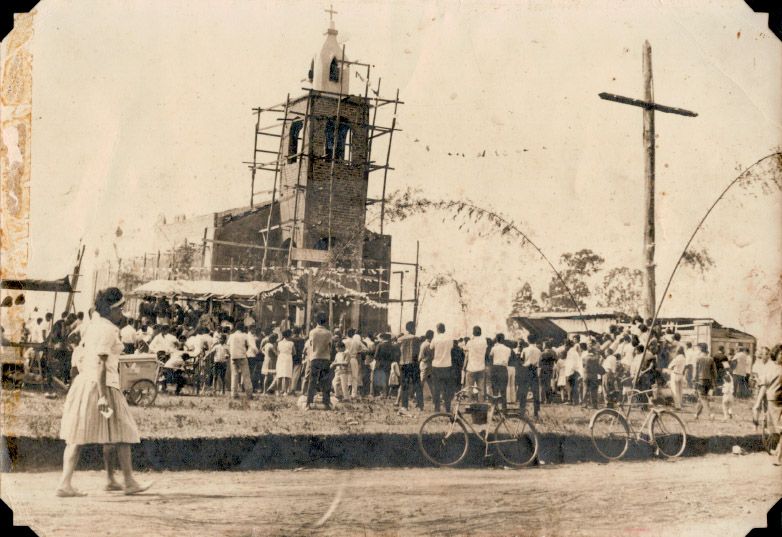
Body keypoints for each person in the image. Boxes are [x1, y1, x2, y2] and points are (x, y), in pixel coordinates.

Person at [57, 287, 150, 497]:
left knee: (81, 435)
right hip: (103, 385)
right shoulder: (108, 329)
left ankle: (95, 480)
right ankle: (128, 481)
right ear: (110, 309)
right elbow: (101, 363)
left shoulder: (91, 326)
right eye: (120, 309)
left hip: (85, 383)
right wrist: (101, 396)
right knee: (123, 431)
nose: (122, 313)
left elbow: (81, 351)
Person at [306, 313, 333, 410]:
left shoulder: (312, 332)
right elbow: (330, 346)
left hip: (315, 357)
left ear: (316, 321)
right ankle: (326, 402)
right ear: (326, 321)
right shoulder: (329, 333)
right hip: (325, 358)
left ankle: (309, 403)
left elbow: (311, 344)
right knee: (326, 381)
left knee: (312, 381)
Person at [398, 322, 422, 410]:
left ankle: (404, 406)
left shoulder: (400, 339)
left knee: (404, 385)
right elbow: (417, 352)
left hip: (403, 363)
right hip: (413, 363)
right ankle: (420, 405)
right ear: (413, 328)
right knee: (417, 384)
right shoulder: (416, 338)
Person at [430, 323, 453, 412]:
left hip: (436, 365)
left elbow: (431, 348)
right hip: (447, 365)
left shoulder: (435, 339)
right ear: (445, 329)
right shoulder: (449, 339)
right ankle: (447, 408)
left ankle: (437, 408)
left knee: (436, 388)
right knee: (447, 388)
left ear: (437, 330)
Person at [227, 323, 253, 399]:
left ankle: (234, 393)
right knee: (246, 375)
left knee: (234, 375)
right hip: (242, 356)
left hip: (233, 356)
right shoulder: (244, 335)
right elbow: (249, 345)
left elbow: (228, 345)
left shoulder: (231, 336)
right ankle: (249, 393)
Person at [518, 335, 542, 417]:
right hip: (534, 370)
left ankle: (521, 411)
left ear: (528, 340)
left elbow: (521, 360)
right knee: (535, 391)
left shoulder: (525, 349)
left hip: (526, 370)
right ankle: (536, 412)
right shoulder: (538, 350)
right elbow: (539, 362)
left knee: (523, 391)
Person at [464, 326, 488, 402]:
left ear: (473, 332)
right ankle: (481, 405)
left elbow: (465, 350)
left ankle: (468, 405)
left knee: (469, 389)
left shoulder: (470, 342)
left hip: (471, 368)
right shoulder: (484, 341)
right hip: (481, 367)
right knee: (481, 389)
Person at [694, 343, 717, 420]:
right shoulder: (710, 359)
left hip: (700, 381)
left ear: (701, 349)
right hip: (709, 381)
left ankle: (710, 414)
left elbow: (695, 371)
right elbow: (714, 372)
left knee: (703, 398)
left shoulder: (698, 359)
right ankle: (696, 414)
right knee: (703, 398)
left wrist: (694, 380)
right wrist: (714, 382)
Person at [488, 333, 510, 411]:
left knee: (495, 390)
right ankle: (504, 409)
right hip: (504, 369)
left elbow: (490, 358)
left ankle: (495, 409)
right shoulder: (508, 349)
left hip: (495, 368)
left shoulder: (494, 348)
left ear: (497, 339)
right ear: (503, 339)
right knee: (503, 390)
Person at [275, 330, 294, 395]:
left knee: (279, 375)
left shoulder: (279, 343)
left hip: (281, 357)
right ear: (289, 335)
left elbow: (277, 351)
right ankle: (285, 391)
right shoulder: (291, 343)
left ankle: (278, 391)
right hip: (288, 358)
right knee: (287, 375)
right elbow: (294, 352)